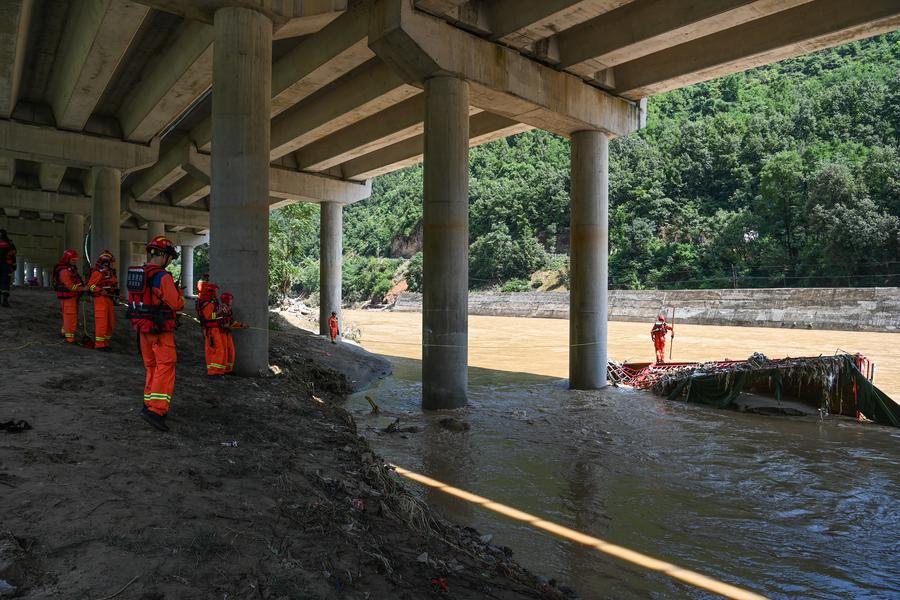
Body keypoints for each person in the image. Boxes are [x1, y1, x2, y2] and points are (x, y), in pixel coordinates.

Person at [126, 236, 184, 432]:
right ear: (164, 256)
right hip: (160, 331)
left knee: (151, 366)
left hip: (143, 330)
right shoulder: (162, 277)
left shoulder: (138, 273)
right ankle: (156, 411)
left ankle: (148, 403)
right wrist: (179, 294)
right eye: (170, 257)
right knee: (165, 366)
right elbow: (176, 304)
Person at [86, 250, 118, 350]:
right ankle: (100, 345)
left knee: (110, 323)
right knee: (102, 322)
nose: (113, 264)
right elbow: (90, 286)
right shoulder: (97, 273)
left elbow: (113, 285)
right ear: (106, 262)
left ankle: (105, 343)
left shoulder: (110, 273)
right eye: (111, 262)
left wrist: (118, 294)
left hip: (109, 299)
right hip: (100, 299)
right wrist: (100, 290)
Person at [195, 281, 228, 376]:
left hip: (210, 328)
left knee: (212, 349)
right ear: (211, 291)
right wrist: (219, 313)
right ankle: (215, 371)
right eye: (215, 291)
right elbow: (209, 316)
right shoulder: (208, 303)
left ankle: (214, 370)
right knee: (218, 349)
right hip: (211, 329)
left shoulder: (206, 301)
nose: (216, 293)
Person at [52, 249, 85, 344]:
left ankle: (65, 333)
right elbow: (70, 286)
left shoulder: (70, 268)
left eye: (75, 260)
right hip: (68, 297)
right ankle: (69, 339)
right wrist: (83, 289)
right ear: (68, 259)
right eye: (73, 260)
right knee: (70, 317)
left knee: (69, 316)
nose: (75, 262)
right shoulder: (64, 271)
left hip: (72, 297)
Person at [219, 292, 246, 374]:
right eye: (230, 300)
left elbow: (232, 322)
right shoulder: (220, 308)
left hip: (227, 333)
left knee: (231, 351)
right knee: (224, 352)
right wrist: (223, 325)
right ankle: (222, 370)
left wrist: (241, 325)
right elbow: (213, 318)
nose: (231, 301)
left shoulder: (229, 309)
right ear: (227, 300)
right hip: (221, 333)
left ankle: (228, 370)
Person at [0, 229, 16, 307]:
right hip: (7, 266)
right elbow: (13, 254)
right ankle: (5, 301)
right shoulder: (10, 243)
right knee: (5, 282)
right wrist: (14, 265)